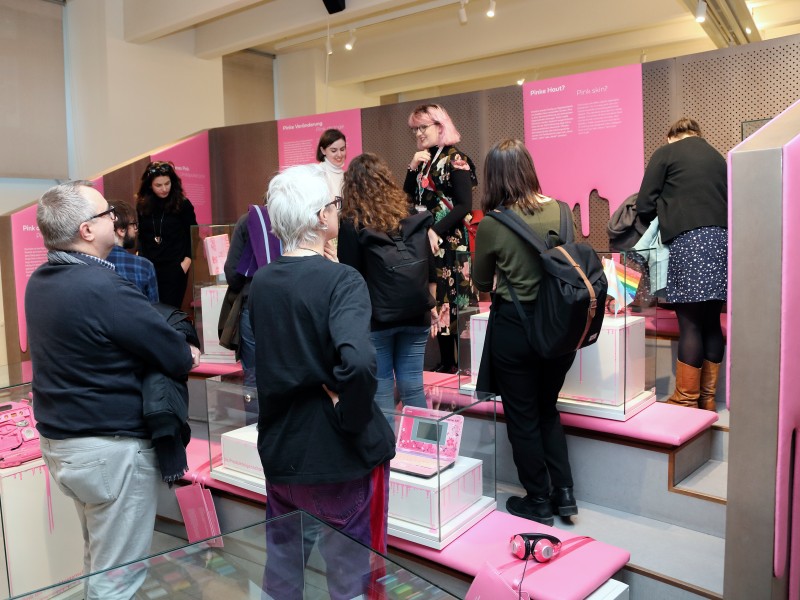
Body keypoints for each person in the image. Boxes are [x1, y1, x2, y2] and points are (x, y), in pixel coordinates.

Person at [25, 181, 199, 600]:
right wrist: (187, 350)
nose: (115, 221)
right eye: (107, 215)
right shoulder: (102, 288)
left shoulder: (40, 281)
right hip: (110, 451)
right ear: (87, 230)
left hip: (64, 446)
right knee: (117, 579)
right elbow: (175, 355)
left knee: (99, 565)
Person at [249, 165, 395, 600]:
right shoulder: (343, 280)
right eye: (333, 204)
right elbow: (360, 362)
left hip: (280, 448)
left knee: (284, 571)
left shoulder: (261, 281)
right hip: (335, 455)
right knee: (350, 578)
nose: (338, 210)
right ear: (318, 218)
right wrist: (349, 417)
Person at [473, 140, 578, 527]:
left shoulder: (492, 223)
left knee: (522, 416)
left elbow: (482, 279)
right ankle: (564, 493)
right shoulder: (563, 211)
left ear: (494, 177)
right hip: (560, 328)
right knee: (546, 407)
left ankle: (538, 498)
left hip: (516, 329)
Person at [636, 118, 728, 411]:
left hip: (689, 241)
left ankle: (686, 399)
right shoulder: (717, 157)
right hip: (722, 241)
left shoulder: (667, 152)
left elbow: (643, 204)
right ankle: (708, 399)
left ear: (670, 136)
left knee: (689, 323)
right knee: (711, 321)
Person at [338, 153, 438, 415]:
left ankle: (387, 454)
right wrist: (433, 303)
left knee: (381, 388)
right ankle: (426, 451)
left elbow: (351, 275)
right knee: (413, 387)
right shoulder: (409, 214)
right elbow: (430, 264)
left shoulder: (352, 223)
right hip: (417, 313)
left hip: (378, 318)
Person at [403, 103, 477, 373]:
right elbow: (407, 200)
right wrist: (411, 168)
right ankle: (447, 362)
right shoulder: (423, 160)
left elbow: (463, 205)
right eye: (416, 129)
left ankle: (461, 365)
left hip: (450, 242)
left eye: (424, 127)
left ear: (440, 126)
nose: (419, 133)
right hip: (430, 244)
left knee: (454, 300)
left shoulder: (456, 159)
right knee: (438, 300)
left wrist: (435, 229)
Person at [223, 202, 281, 398]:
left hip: (253, 302)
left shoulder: (248, 221)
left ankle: (254, 427)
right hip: (291, 305)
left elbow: (232, 271)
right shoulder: (298, 220)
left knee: (253, 376)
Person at [136, 161, 198, 309]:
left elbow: (193, 234)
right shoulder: (143, 205)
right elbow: (142, 236)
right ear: (150, 185)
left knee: (170, 311)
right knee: (151, 310)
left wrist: (186, 262)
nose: (164, 189)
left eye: (167, 183)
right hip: (150, 267)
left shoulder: (182, 204)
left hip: (175, 267)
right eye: (158, 185)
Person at [106, 200, 159, 303]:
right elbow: (153, 310)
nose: (136, 229)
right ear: (121, 230)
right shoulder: (144, 266)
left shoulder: (90, 262)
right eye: (134, 224)